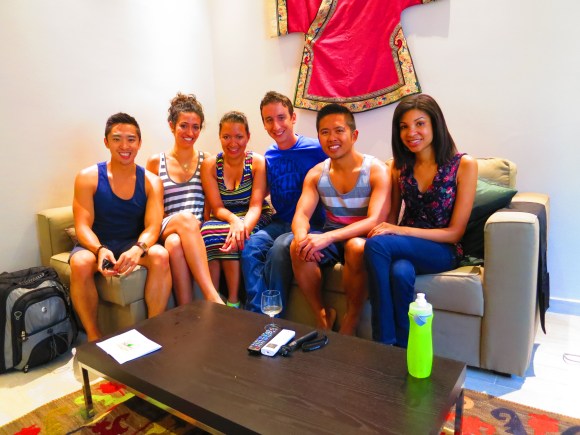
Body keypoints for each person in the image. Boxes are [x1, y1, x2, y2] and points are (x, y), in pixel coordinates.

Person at [364, 94, 478, 347]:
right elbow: (390, 221)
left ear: (435, 124)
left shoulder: (463, 165)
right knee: (400, 271)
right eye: (404, 126)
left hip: (443, 249)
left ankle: (382, 342)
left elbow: (455, 233)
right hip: (407, 247)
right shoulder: (398, 166)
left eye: (419, 124)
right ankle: (404, 347)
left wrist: (401, 231)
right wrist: (391, 230)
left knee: (376, 245)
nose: (411, 132)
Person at [70, 113, 172, 341]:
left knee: (160, 255)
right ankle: (94, 336)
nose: (124, 146)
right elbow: (82, 226)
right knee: (80, 262)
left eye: (131, 139)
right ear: (106, 142)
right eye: (117, 139)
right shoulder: (87, 177)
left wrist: (138, 248)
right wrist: (99, 249)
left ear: (139, 143)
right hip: (96, 244)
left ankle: (154, 330)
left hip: (132, 242)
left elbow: (153, 226)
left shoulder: (151, 181)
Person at [290, 104, 389, 334]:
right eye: (325, 132)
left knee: (355, 247)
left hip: (364, 237)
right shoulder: (316, 174)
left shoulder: (376, 170)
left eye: (339, 130)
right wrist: (302, 237)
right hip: (333, 237)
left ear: (354, 135)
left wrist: (327, 238)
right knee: (297, 246)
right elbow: (301, 214)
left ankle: (351, 320)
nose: (331, 138)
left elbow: (375, 220)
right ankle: (322, 316)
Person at [241, 91, 327, 313]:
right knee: (251, 247)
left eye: (281, 117)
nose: (276, 126)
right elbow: (262, 191)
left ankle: (275, 316)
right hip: (280, 222)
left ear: (293, 117)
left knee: (278, 250)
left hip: (311, 224)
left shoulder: (317, 149)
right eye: (269, 120)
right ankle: (257, 314)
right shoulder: (269, 155)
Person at [146, 93, 223, 306]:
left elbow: (211, 202)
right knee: (184, 222)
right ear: (172, 126)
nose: (190, 133)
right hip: (166, 224)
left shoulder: (207, 160)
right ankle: (212, 297)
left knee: (174, 243)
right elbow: (153, 207)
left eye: (196, 127)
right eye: (184, 126)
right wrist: (182, 222)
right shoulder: (156, 162)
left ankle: (187, 310)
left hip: (195, 229)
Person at [200, 111, 273, 307]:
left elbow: (256, 205)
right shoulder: (210, 165)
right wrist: (233, 221)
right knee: (207, 232)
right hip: (225, 215)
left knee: (234, 236)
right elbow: (217, 207)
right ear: (219, 137)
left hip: (254, 214)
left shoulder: (257, 162)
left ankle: (233, 301)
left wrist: (242, 226)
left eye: (239, 137)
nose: (233, 143)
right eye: (226, 137)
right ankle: (213, 299)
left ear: (248, 137)